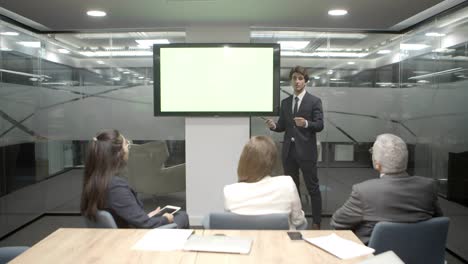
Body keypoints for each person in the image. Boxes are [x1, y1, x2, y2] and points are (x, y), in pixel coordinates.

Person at [330, 133, 443, 244]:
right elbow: (437, 221)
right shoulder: (428, 186)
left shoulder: (364, 191)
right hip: (419, 256)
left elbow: (338, 222)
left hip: (374, 258)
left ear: (377, 163)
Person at [80, 129, 189, 229]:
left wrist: (146, 216)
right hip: (131, 237)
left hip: (117, 233)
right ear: (118, 153)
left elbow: (122, 213)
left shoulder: (94, 181)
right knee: (182, 216)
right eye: (126, 145)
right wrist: (165, 219)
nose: (128, 149)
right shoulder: (115, 187)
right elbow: (145, 225)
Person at [266, 66, 324, 229]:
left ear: (305, 81)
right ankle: (297, 219)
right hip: (289, 152)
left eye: (300, 78)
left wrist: (306, 123)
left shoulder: (314, 101)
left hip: (306, 151)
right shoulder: (285, 103)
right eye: (294, 78)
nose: (297, 81)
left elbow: (320, 125)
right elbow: (283, 126)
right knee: (292, 188)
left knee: (312, 187)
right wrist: (273, 126)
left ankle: (317, 222)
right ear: (291, 81)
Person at [224, 136, 308, 230]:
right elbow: (298, 221)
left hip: (247, 243)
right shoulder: (287, 183)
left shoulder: (230, 191)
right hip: (281, 243)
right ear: (272, 161)